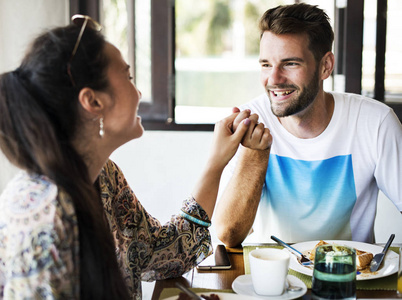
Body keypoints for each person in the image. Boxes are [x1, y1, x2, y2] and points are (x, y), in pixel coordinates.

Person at [0, 15, 271, 299]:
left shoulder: (105, 177)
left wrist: (216, 163)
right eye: (128, 77)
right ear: (93, 102)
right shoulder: (40, 221)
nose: (139, 91)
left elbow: (161, 252)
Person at [214, 3, 402, 247]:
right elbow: (228, 234)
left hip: (349, 278)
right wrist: (255, 153)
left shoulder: (375, 123)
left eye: (290, 64)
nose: (274, 79)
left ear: (325, 66)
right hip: (271, 276)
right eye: (266, 65)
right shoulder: (254, 120)